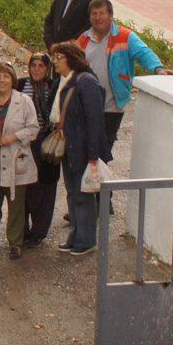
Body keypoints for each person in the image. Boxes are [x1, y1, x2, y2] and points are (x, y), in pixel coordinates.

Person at [76, 0, 173, 152]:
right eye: (94, 14)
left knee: (103, 148)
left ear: (111, 15)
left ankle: (98, 175)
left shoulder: (125, 36)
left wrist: (158, 69)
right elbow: (71, 63)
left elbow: (143, 53)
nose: (97, 18)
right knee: (83, 146)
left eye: (101, 13)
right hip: (86, 104)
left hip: (112, 105)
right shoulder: (83, 39)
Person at [52, 42, 112, 257]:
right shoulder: (72, 80)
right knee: (73, 194)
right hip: (71, 149)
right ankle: (76, 236)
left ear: (70, 58)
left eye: (59, 57)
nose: (55, 61)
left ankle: (86, 240)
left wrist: (93, 156)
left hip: (82, 150)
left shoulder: (86, 82)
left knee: (83, 195)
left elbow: (94, 121)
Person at [0, 62, 40, 258]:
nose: (1, 80)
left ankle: (15, 243)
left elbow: (33, 128)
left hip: (15, 159)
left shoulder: (24, 101)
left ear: (12, 79)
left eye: (6, 76)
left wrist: (14, 137)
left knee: (16, 205)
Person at [16, 52, 62, 248]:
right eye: (33, 65)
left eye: (41, 66)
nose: (36, 69)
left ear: (48, 68)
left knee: (45, 187)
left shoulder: (54, 87)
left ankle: (39, 231)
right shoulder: (19, 85)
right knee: (23, 187)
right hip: (22, 143)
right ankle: (22, 229)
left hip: (46, 144)